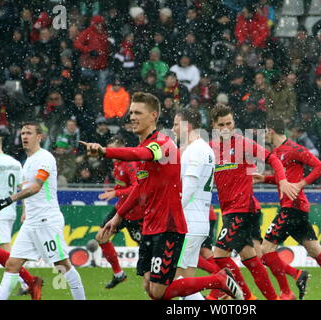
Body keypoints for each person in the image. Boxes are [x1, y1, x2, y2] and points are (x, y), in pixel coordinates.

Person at [80, 92, 243, 300]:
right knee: (150, 286)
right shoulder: (149, 146)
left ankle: (218, 281)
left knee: (161, 290)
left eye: (138, 112)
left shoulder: (163, 144)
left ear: (153, 116)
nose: (132, 117)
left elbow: (142, 154)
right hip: (150, 225)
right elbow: (140, 187)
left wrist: (106, 151)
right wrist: (118, 215)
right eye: (131, 112)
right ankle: (217, 281)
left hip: (169, 226)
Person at [209, 105, 300, 300]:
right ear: (214, 126)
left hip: (241, 210)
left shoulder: (243, 143)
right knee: (251, 259)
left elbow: (272, 159)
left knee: (219, 255)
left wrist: (282, 179)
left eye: (229, 123)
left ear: (234, 124)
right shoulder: (210, 149)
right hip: (232, 210)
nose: (226, 128)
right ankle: (274, 298)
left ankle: (245, 297)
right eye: (221, 124)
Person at [253, 119, 321, 300]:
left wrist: (301, 184)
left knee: (265, 251)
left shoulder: (293, 149)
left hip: (292, 207)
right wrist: (264, 179)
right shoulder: (276, 152)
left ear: (272, 131)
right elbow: (284, 179)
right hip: (295, 208)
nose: (264, 134)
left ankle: (287, 292)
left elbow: (320, 167)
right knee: (314, 250)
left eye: (265, 130)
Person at [0, 122, 86, 300]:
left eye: (29, 133)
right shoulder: (27, 162)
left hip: (46, 220)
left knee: (62, 266)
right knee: (12, 264)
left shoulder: (45, 158)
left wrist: (8, 200)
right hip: (31, 223)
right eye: (23, 133)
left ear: (39, 137)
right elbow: (27, 189)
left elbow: (36, 187)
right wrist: (26, 210)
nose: (24, 136)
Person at [0, 143, 41, 300]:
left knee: (0, 250)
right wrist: (25, 209)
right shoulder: (15, 163)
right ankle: (30, 282)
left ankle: (28, 282)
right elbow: (21, 186)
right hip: (7, 210)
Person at [171, 108, 215, 300]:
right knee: (186, 281)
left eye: (175, 125)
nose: (172, 129)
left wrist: (173, 215)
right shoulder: (205, 149)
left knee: (172, 279)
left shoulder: (195, 150)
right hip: (199, 221)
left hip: (189, 223)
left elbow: (188, 188)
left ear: (186, 126)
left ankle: (222, 284)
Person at [95, 135, 142, 289]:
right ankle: (118, 274)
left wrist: (115, 193)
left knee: (147, 248)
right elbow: (122, 186)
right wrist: (114, 190)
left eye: (114, 150)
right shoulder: (116, 164)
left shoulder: (130, 164)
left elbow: (137, 188)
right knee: (101, 237)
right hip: (121, 210)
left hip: (136, 213)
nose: (111, 153)